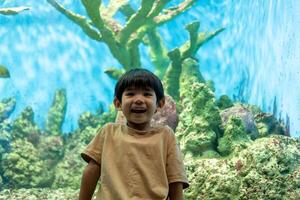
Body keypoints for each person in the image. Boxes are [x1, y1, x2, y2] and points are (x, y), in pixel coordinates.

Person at [79, 68, 189, 200]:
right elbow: (92, 169)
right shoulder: (108, 132)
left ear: (159, 104)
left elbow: (175, 179)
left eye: (147, 94)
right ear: (118, 103)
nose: (138, 100)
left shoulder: (166, 136)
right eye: (130, 94)